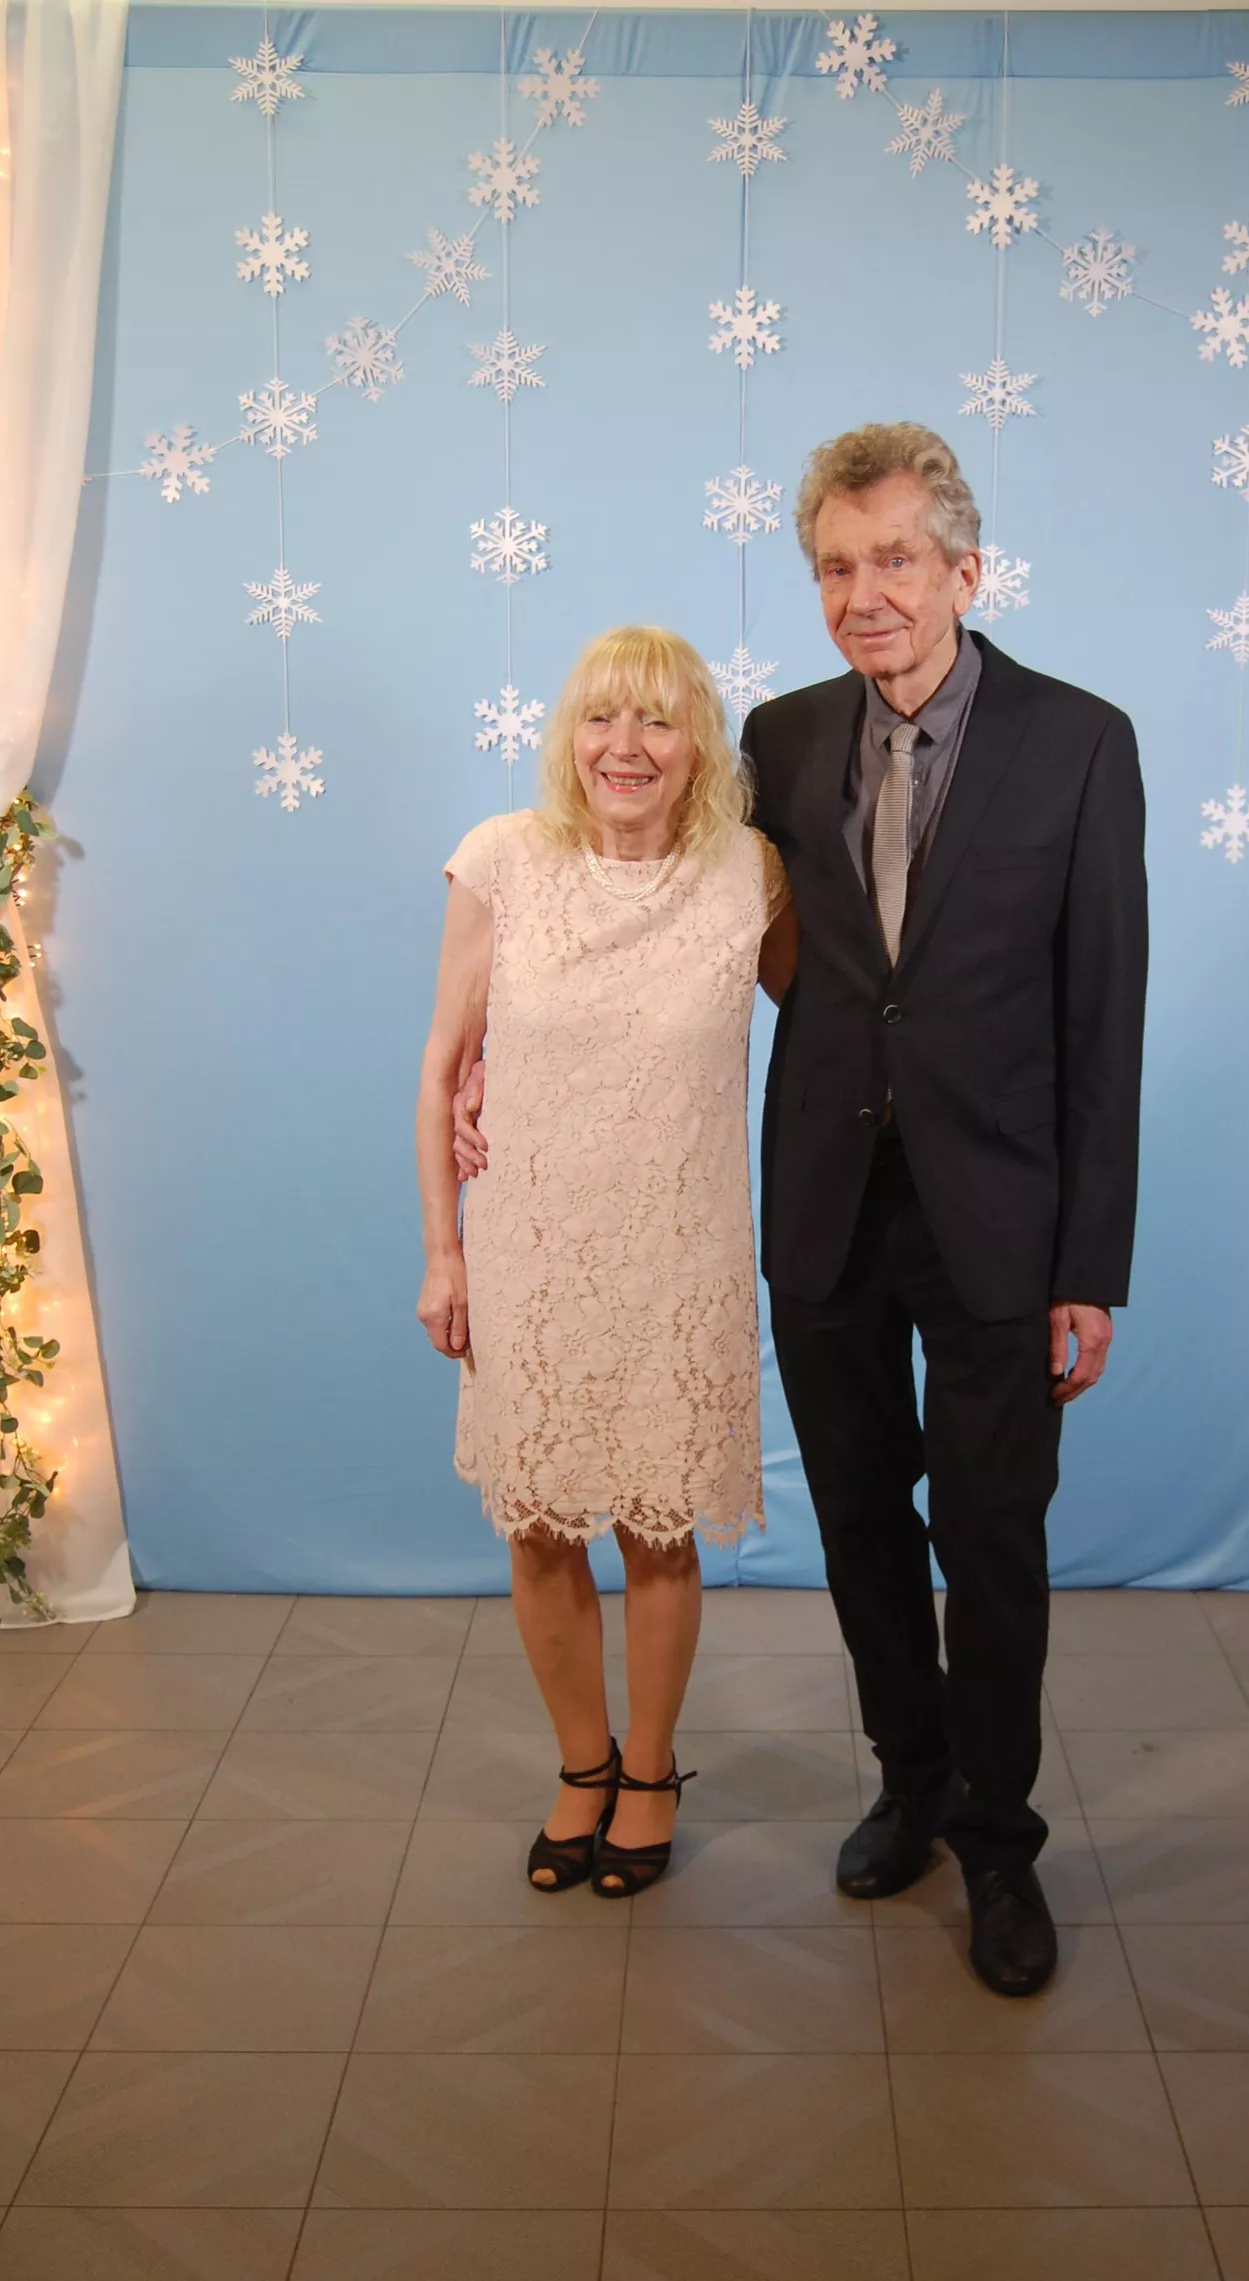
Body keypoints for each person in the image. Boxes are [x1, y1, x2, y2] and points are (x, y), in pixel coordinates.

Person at [742, 423, 1147, 1996]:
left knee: (990, 1535)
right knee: (857, 1516)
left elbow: (1104, 1013)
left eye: (897, 559)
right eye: (837, 567)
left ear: (967, 570)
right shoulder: (778, 738)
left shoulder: (1080, 741)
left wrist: (1088, 1263)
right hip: (825, 1203)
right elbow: (703, 929)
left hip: (1001, 1217)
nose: (867, 594)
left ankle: (997, 1836)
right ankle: (908, 1780)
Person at [418, 625, 797, 1897]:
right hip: (528, 1250)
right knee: (536, 1526)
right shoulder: (502, 860)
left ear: (700, 748)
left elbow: (839, 1024)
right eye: (599, 717)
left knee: (658, 1530)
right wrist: (443, 1253)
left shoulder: (749, 874)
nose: (623, 747)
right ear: (566, 737)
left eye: (656, 721)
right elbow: (439, 1070)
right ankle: (581, 1766)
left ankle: (649, 1772)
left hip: (679, 1254)